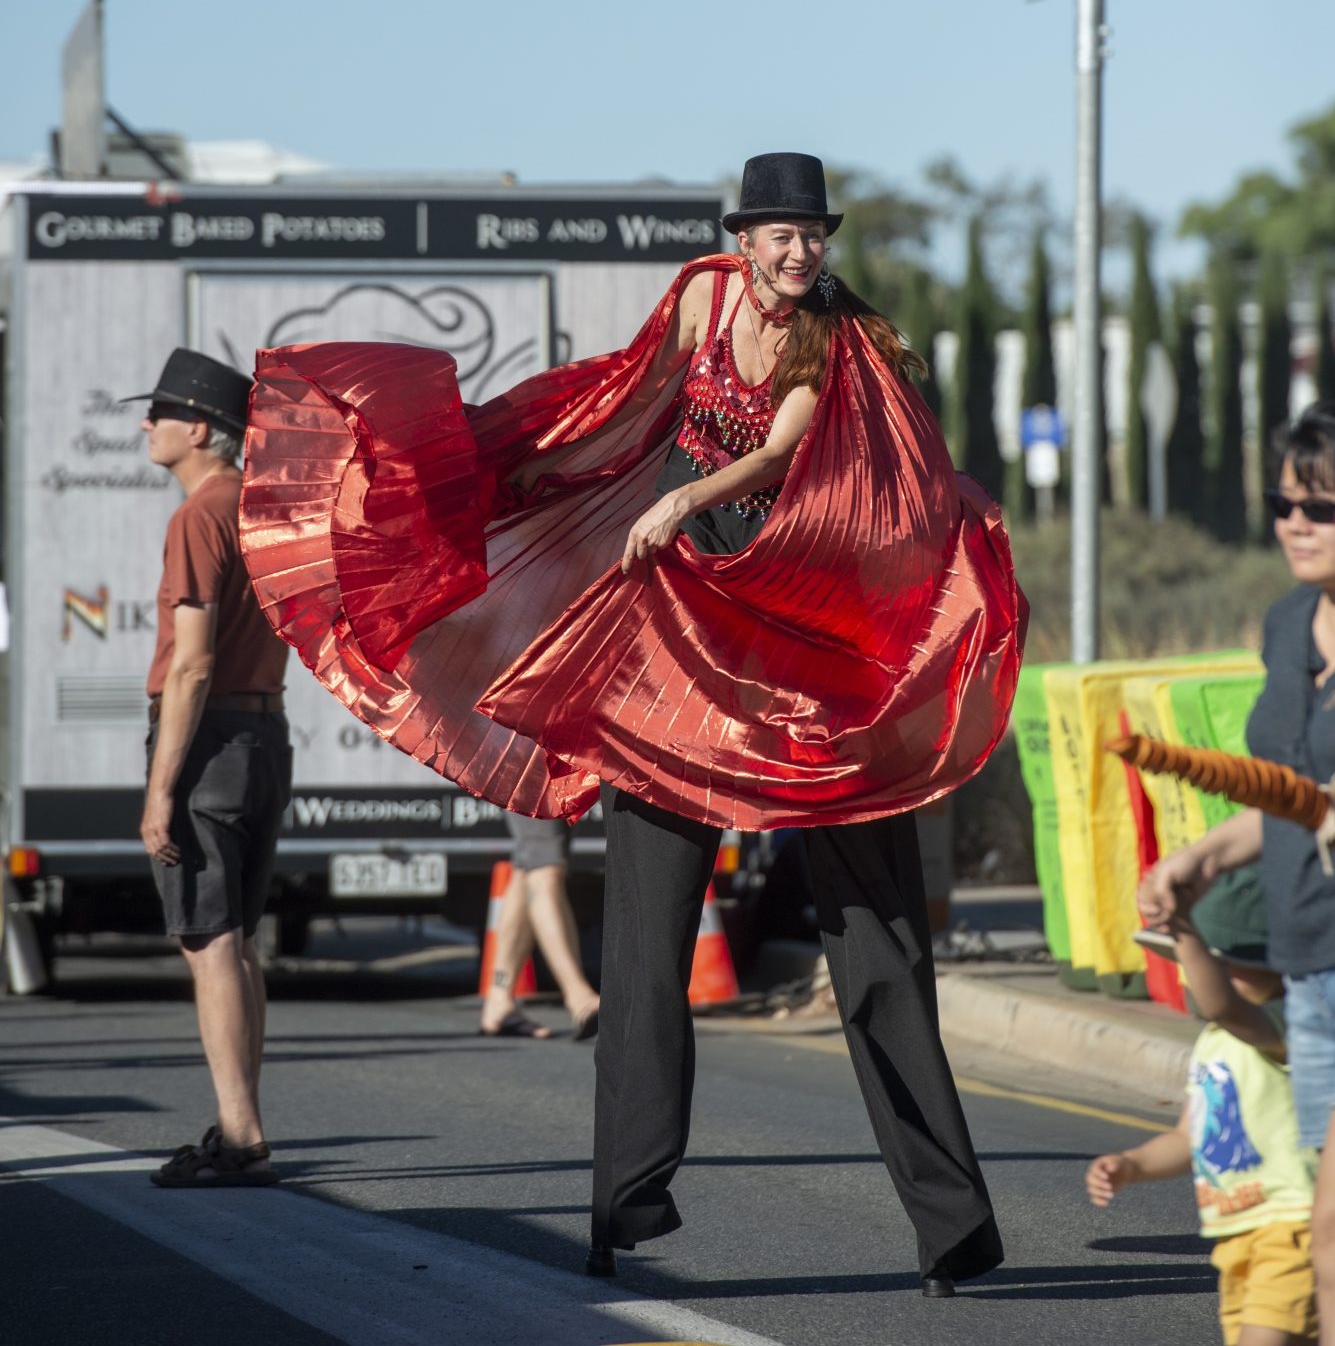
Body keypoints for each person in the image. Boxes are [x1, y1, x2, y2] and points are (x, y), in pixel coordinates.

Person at [240, 152, 1026, 1294]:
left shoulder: (844, 343)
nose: (801, 250)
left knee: (876, 938)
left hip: (813, 647)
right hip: (680, 639)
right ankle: (626, 1196)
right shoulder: (705, 297)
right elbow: (632, 397)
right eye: (781, 232)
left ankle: (953, 1224)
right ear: (743, 236)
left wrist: (679, 498)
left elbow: (776, 451)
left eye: (815, 233)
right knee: (646, 926)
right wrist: (530, 474)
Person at [1139, 403, 1335, 1341]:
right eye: (1283, 502)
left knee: (1330, 1241)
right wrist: (1201, 856)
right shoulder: (1289, 623)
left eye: (1321, 507)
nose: (1295, 523)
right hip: (1309, 966)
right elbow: (1291, 791)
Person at [129, 348, 291, 1188]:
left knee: (208, 938)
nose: (144, 428)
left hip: (210, 738)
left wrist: (160, 790)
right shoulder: (260, 508)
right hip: (266, 734)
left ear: (197, 427)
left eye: (156, 414)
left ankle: (239, 1135)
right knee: (240, 942)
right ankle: (242, 1124)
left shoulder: (198, 516)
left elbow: (190, 665)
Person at [1087, 875, 1318, 1346]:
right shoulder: (1212, 1044)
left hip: (1293, 1228)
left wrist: (1188, 934)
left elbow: (1225, 1006)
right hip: (1235, 1239)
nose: (1208, 973)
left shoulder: (1285, 1028)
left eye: (1228, 963)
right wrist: (1131, 1164)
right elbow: (1188, 1138)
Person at [479, 812, 599, 1040]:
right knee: (546, 866)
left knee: (529, 864)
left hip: (550, 776)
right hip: (537, 776)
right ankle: (579, 997)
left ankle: (499, 999)